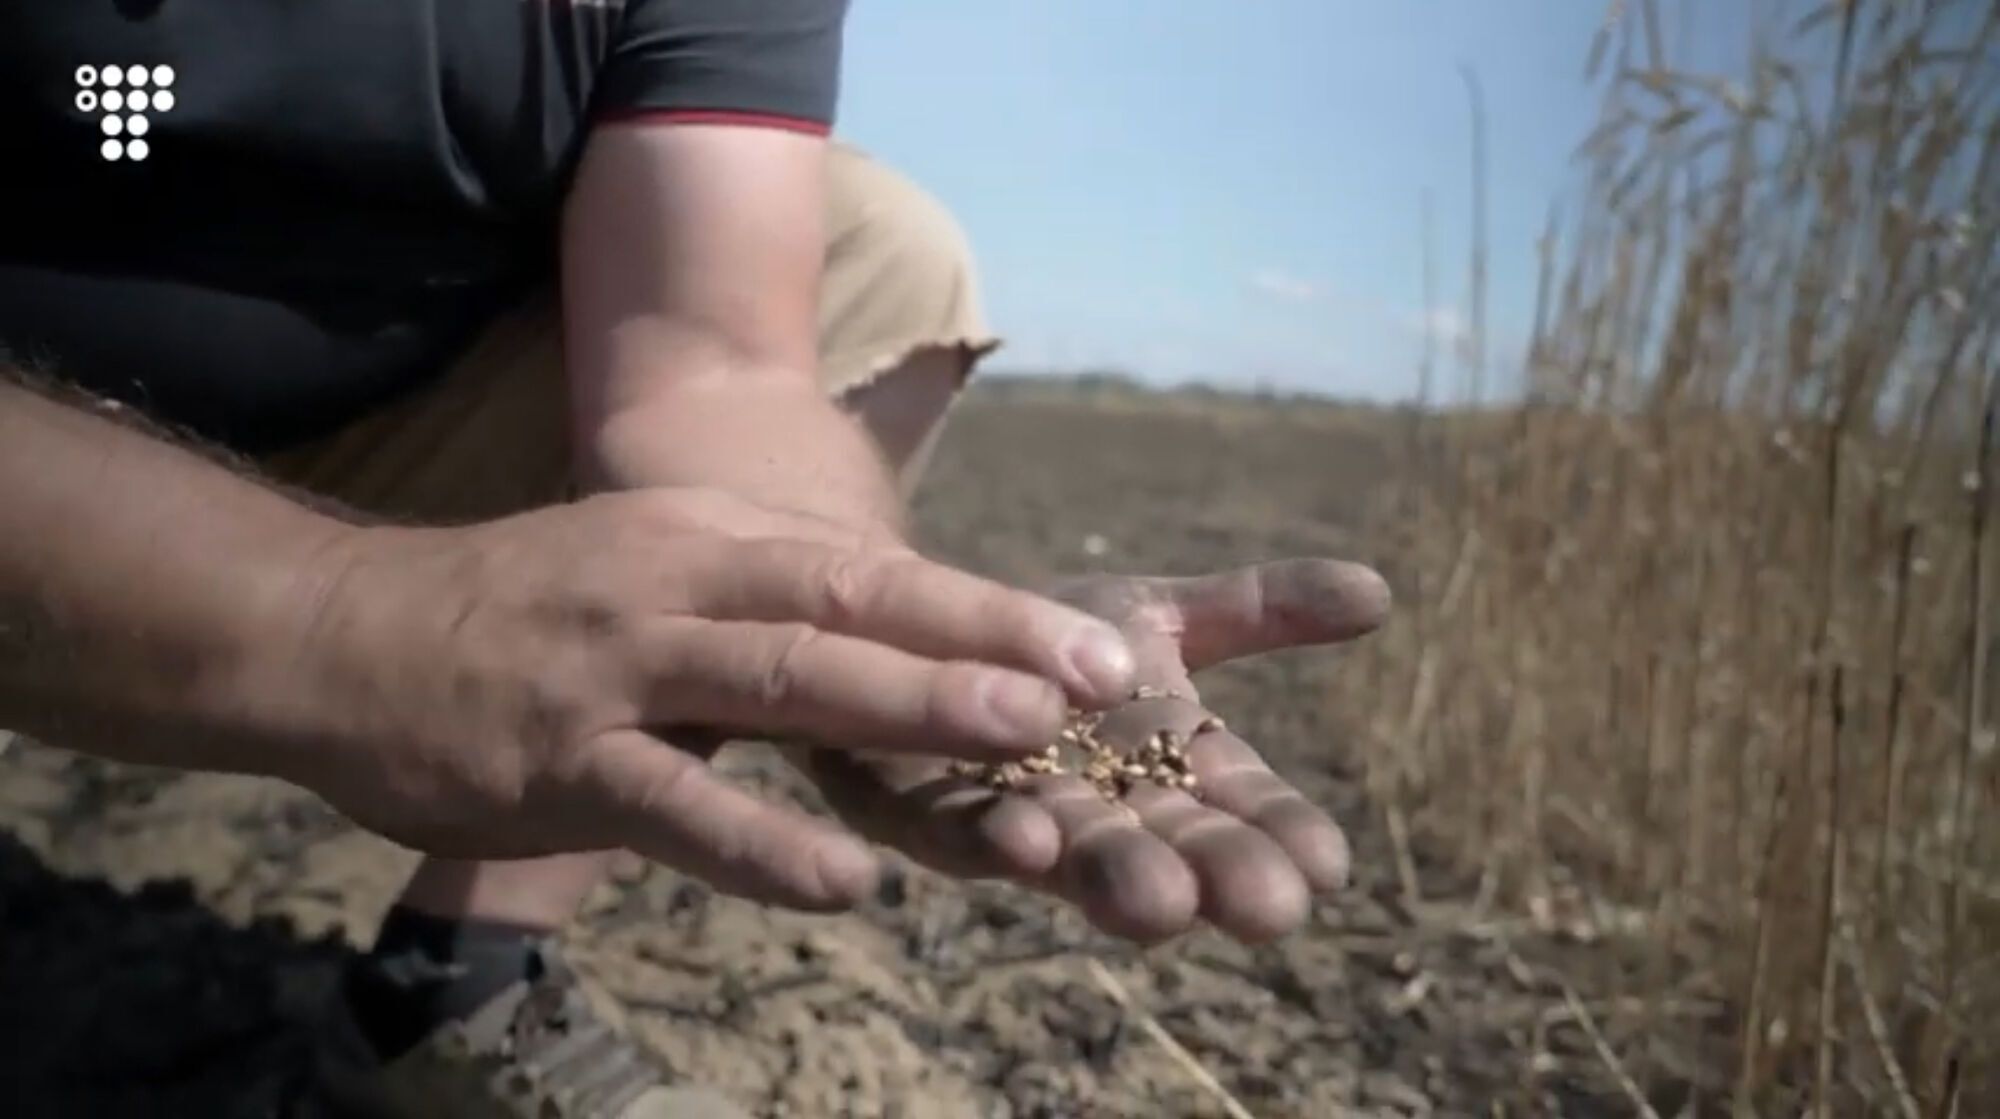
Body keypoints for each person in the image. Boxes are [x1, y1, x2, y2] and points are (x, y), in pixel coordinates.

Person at [0, 2, 1390, 1116]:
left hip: (384, 415)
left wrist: (877, 625)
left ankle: (453, 974)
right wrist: (338, 615)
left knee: (879, 251)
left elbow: (713, 356)